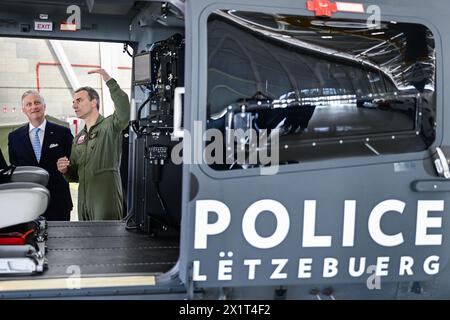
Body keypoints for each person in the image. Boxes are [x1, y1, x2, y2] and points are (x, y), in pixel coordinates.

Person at [57, 69, 130, 220]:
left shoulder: (110, 125)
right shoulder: (78, 138)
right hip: (84, 199)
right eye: (73, 102)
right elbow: (75, 176)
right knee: (87, 240)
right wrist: (65, 169)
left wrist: (109, 80)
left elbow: (124, 111)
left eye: (79, 100)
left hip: (105, 196)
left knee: (107, 238)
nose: (74, 105)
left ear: (94, 102)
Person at [8, 90, 73, 221]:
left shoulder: (63, 133)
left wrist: (67, 168)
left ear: (44, 106)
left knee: (60, 240)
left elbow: (73, 162)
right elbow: (15, 169)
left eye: (37, 102)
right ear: (23, 110)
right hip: (28, 204)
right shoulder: (14, 137)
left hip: (58, 202)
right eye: (29, 104)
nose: (33, 107)